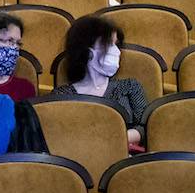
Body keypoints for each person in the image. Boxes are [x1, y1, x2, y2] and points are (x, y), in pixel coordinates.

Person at [53, 15, 148, 147]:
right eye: (108, 44)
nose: (115, 51)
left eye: (116, 45)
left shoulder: (130, 86)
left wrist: (112, 139)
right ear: (85, 48)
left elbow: (148, 127)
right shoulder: (62, 96)